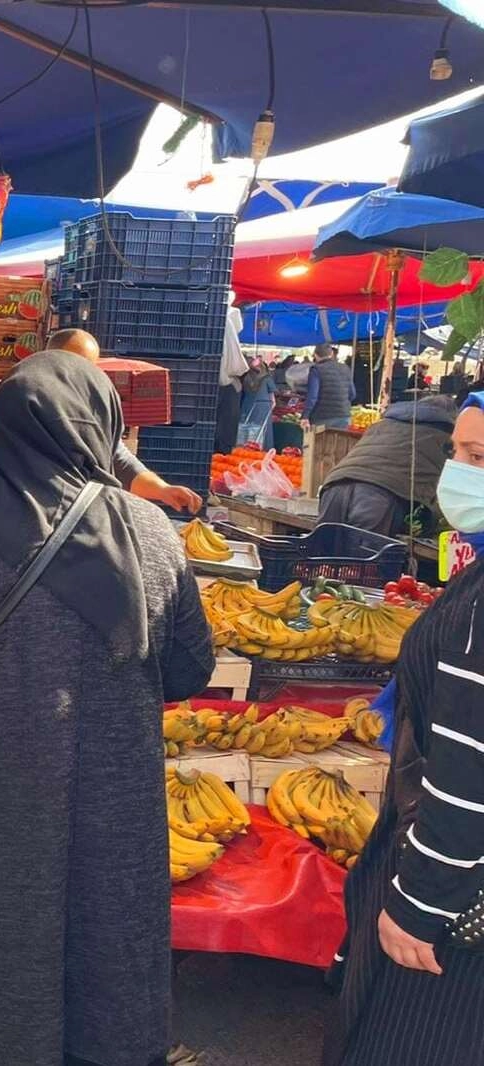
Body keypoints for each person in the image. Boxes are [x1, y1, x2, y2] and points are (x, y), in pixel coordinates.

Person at [0, 352, 215, 1066]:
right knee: (107, 956)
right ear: (105, 427)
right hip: (112, 805)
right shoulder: (152, 533)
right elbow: (189, 668)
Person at [322, 393, 484, 1066]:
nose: (458, 474)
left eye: (477, 458)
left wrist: (419, 900)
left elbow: (468, 771)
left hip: (456, 907)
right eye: (456, 454)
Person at [0, 330, 206, 514]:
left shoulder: (92, 404)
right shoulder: (6, 394)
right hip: (5, 510)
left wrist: (163, 490)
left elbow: (117, 457)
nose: (79, 375)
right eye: (70, 364)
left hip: (66, 515)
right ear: (48, 358)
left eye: (89, 368)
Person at [317, 395, 457, 538]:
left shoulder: (384, 423)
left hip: (335, 485)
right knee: (362, 555)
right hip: (377, 494)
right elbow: (448, 488)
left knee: (321, 552)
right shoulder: (448, 436)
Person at [215, 302, 248, 454]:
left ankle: (219, 452)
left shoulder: (223, 323)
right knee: (226, 425)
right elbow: (237, 367)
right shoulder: (226, 326)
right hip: (227, 386)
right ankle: (222, 453)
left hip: (221, 384)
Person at [306, 342, 355, 430]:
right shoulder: (345, 368)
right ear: (331, 354)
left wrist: (305, 416)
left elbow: (312, 397)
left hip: (322, 416)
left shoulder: (316, 369)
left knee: (319, 443)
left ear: (315, 355)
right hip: (343, 415)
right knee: (340, 443)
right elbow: (352, 394)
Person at [238, 353, 277, 450]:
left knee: (245, 430)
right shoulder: (267, 378)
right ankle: (263, 449)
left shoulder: (245, 378)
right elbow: (273, 399)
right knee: (263, 430)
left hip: (247, 405)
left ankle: (244, 449)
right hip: (263, 406)